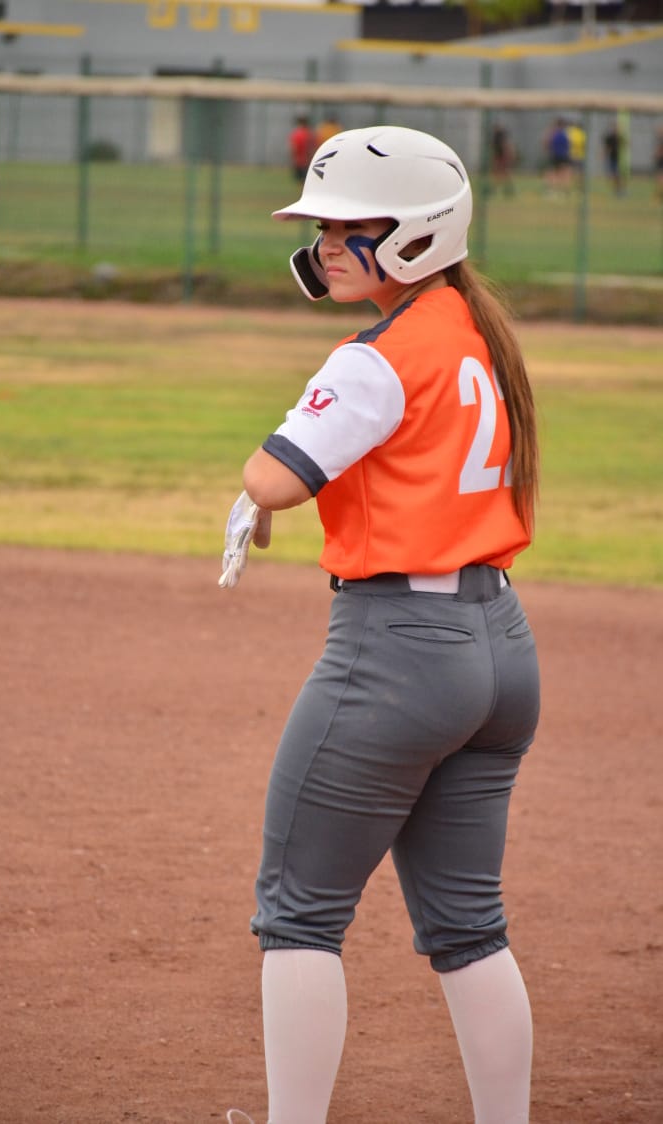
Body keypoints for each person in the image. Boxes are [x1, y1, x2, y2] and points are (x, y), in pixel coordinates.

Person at [219, 125, 541, 1124]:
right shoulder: (472, 325)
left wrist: (259, 490)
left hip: (396, 656)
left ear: (411, 236)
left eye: (346, 228)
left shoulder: (381, 354)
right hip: (500, 647)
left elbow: (275, 470)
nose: (322, 246)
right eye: (318, 227)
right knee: (468, 924)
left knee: (298, 914)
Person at [544, 117, 572, 194]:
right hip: (562, 155)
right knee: (564, 173)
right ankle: (562, 190)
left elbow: (546, 144)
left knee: (554, 173)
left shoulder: (553, 134)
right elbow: (568, 146)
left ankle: (551, 190)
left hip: (555, 155)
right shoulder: (564, 134)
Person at [288, 115, 316, 181]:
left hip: (299, 161)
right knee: (306, 181)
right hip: (308, 161)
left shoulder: (297, 134)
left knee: (299, 181)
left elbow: (294, 148)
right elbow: (313, 148)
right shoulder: (310, 134)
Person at [491, 122, 515, 195]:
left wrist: (507, 155)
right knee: (498, 172)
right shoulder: (496, 137)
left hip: (502, 157)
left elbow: (505, 146)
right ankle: (498, 187)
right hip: (498, 156)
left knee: (504, 171)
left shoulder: (501, 136)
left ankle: (508, 187)